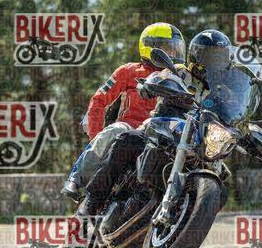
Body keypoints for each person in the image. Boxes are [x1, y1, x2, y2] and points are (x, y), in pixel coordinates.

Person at [78, 29, 233, 217]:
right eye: (208, 56)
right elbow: (159, 77)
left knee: (222, 183)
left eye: (218, 58)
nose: (213, 62)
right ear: (196, 55)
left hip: (196, 144)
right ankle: (91, 202)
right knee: (127, 140)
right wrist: (152, 84)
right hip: (161, 132)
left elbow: (232, 115)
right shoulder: (178, 72)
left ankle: (182, 222)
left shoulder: (222, 93)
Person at [60, 22, 186, 201]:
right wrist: (96, 136)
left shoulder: (182, 76)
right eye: (167, 48)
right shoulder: (129, 71)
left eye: (174, 48)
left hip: (167, 133)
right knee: (116, 129)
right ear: (149, 47)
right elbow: (99, 100)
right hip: (130, 128)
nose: (172, 53)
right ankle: (77, 178)